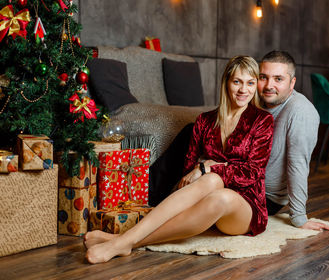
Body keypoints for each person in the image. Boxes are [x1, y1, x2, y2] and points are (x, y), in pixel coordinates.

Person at [84, 55, 274, 264]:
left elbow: (253, 172)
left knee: (218, 190)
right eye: (237, 82)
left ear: (256, 85)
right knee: (211, 182)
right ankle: (124, 241)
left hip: (244, 207)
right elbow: (188, 172)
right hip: (208, 202)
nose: (243, 90)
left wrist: (209, 168)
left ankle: (124, 241)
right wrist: (204, 168)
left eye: (250, 83)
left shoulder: (262, 120)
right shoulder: (204, 121)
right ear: (226, 82)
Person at [257, 50, 329, 231]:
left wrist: (299, 217)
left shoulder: (300, 111)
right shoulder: (254, 100)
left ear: (292, 83)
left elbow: (297, 163)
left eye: (278, 79)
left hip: (265, 197)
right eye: (263, 77)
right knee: (192, 129)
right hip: (239, 181)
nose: (269, 85)